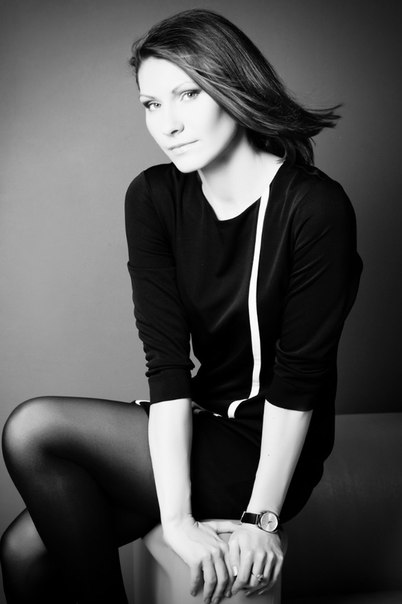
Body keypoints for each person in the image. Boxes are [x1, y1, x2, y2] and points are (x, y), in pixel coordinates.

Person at [0, 8, 362, 604]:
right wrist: (177, 520)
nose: (168, 124)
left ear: (233, 87)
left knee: (34, 428)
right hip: (199, 421)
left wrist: (261, 518)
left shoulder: (313, 208)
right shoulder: (153, 197)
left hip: (265, 454)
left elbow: (301, 381)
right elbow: (167, 365)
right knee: (21, 553)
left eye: (188, 94)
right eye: (151, 104)